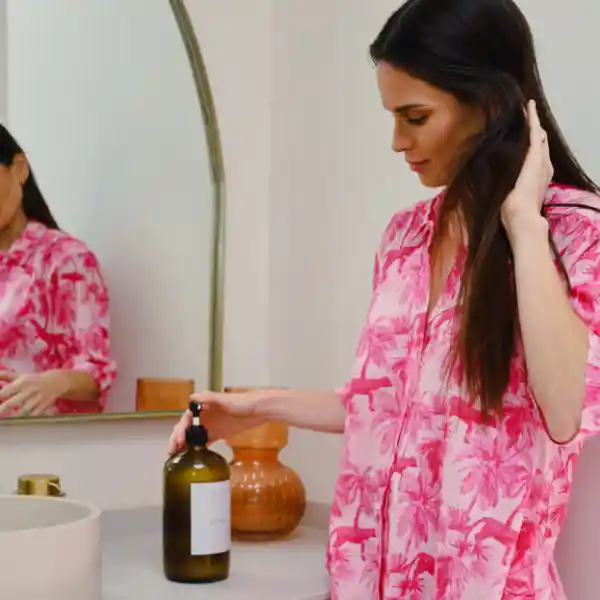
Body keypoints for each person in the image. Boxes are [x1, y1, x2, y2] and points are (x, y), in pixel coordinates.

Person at [169, 0, 600, 597]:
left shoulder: (576, 233)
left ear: (489, 104)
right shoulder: (405, 237)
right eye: (392, 117)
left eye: (415, 117)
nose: (397, 141)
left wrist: (525, 224)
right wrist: (258, 406)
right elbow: (386, 407)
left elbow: (565, 410)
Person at [0, 124, 116, 417]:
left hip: (39, 438)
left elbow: (96, 369)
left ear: (19, 168)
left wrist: (56, 382)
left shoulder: (66, 260)